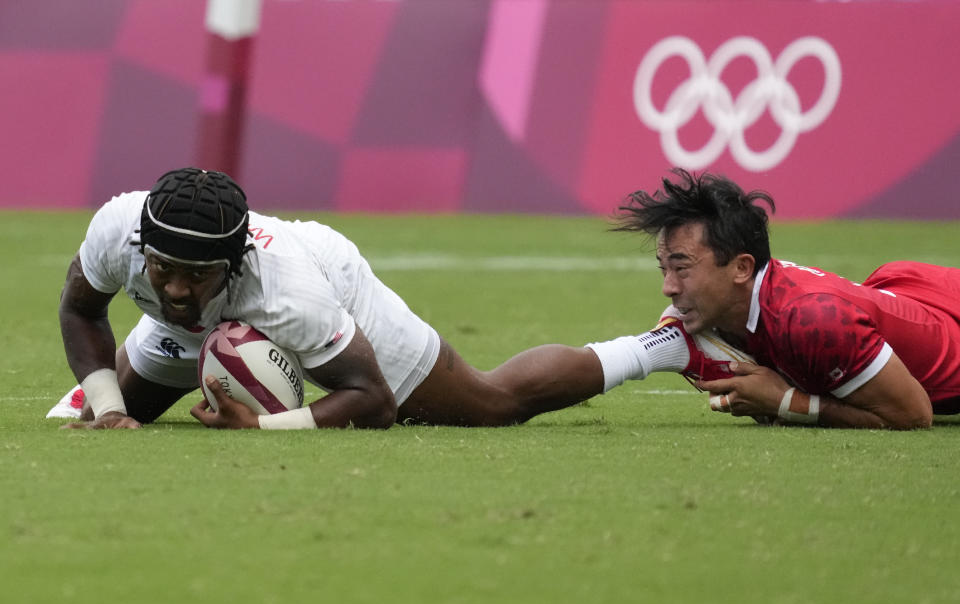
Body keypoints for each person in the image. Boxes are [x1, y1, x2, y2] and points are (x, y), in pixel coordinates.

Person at [51, 167, 728, 430]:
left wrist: (259, 428)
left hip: (332, 285)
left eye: (194, 277)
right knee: (109, 416)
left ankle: (656, 348)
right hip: (210, 326)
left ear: (232, 262)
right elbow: (80, 309)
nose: (172, 288)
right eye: (163, 269)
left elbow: (370, 401)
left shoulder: (291, 292)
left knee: (493, 406)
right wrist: (109, 410)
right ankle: (100, 400)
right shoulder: (119, 228)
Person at [609, 168, 960, 429]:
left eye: (682, 269)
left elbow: (913, 414)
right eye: (664, 269)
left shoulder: (813, 320)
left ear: (742, 268)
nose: (668, 288)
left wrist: (786, 401)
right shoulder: (753, 300)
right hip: (908, 292)